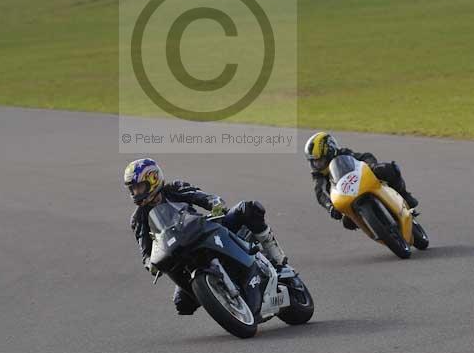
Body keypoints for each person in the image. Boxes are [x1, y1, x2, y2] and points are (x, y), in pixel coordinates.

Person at [124, 157, 287, 315]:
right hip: (180, 254)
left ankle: (276, 256)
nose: (135, 192)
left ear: (153, 179)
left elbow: (200, 196)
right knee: (182, 304)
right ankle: (223, 300)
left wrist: (214, 203)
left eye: (139, 187)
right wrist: (150, 264)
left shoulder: (174, 188)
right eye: (132, 189)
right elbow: (145, 251)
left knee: (248, 208)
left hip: (204, 230)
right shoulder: (138, 219)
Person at [304, 132, 419, 230]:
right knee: (346, 222)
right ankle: (374, 228)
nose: (316, 165)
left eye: (320, 161)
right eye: (313, 162)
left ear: (330, 151)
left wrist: (371, 165)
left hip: (363, 181)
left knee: (388, 169)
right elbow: (320, 193)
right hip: (346, 197)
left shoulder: (344, 153)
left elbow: (365, 156)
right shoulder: (318, 174)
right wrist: (330, 207)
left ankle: (405, 195)